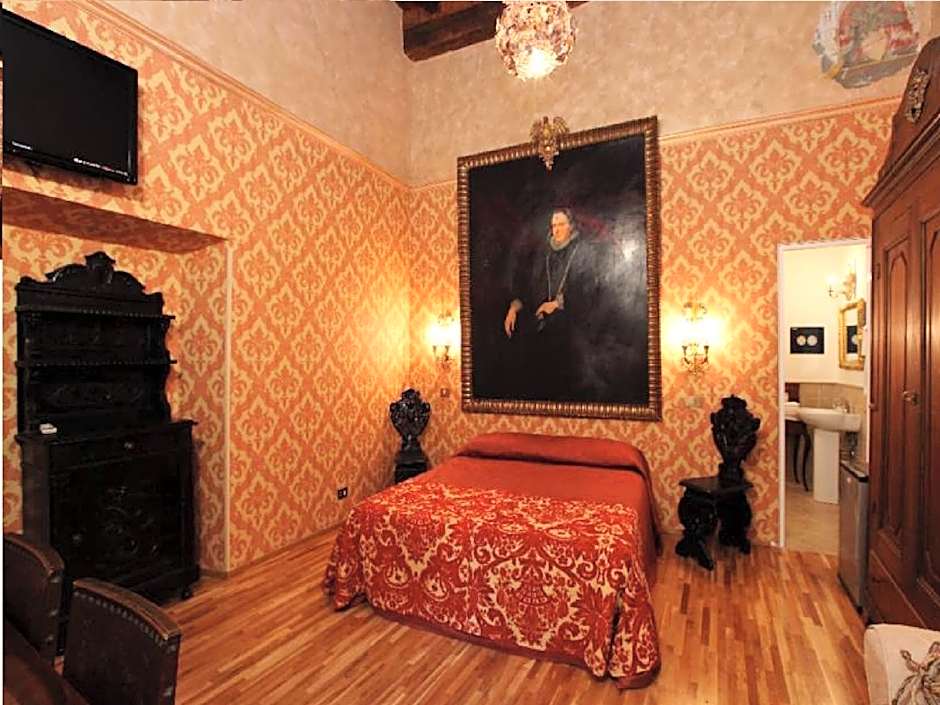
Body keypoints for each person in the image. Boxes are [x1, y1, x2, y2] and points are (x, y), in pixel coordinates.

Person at [501, 208, 600, 401]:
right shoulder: (543, 253)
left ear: (571, 226)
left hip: (573, 332)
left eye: (561, 224)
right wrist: (514, 306)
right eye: (553, 225)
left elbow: (589, 291)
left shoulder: (584, 252)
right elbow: (529, 288)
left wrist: (557, 303)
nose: (557, 229)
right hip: (544, 332)